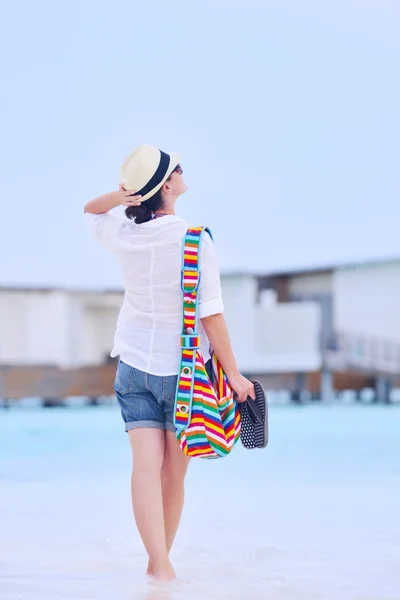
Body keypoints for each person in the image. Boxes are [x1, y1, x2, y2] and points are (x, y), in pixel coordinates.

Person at [84, 143, 255, 582]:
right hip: (185, 377)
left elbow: (91, 210)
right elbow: (211, 314)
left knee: (143, 468)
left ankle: (158, 566)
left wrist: (123, 196)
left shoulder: (125, 234)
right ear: (166, 186)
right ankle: (160, 567)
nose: (183, 171)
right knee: (173, 476)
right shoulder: (195, 240)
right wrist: (233, 374)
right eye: (176, 168)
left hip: (134, 366)